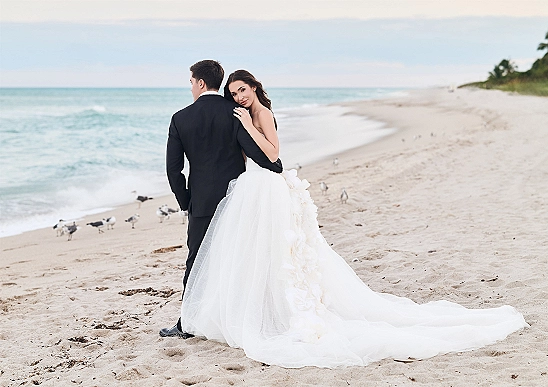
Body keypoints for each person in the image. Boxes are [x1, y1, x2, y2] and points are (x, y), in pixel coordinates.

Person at [179, 70, 528, 368]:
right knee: (257, 251)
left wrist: (248, 128)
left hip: (266, 185)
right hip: (251, 187)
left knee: (278, 250)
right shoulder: (239, 116)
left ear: (254, 88)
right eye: (233, 93)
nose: (238, 97)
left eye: (242, 89)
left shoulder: (263, 114)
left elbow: (273, 155)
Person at [161, 61, 283, 339]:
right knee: (236, 261)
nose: (191, 87)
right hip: (235, 199)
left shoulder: (180, 118)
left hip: (202, 202)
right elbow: (257, 153)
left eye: (191, 82)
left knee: (196, 262)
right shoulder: (237, 113)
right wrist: (277, 168)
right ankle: (234, 318)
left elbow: (173, 169)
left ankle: (187, 324)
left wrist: (186, 202)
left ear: (200, 83)